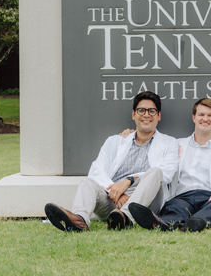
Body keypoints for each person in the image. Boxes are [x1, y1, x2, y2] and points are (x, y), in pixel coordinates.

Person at [44, 91, 179, 232]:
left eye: (152, 111)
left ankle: (126, 217)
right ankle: (80, 220)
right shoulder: (114, 141)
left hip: (147, 203)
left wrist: (128, 181)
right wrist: (116, 191)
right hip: (113, 199)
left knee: (156, 172)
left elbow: (167, 173)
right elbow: (96, 170)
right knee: (88, 182)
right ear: (133, 114)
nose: (146, 115)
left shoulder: (169, 143)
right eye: (141, 110)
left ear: (159, 116)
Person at [127, 98, 211, 232]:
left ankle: (196, 222)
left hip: (210, 197)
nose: (205, 119)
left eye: (210, 115)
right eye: (201, 115)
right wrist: (129, 135)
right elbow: (158, 165)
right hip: (182, 197)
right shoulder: (176, 145)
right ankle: (164, 223)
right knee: (174, 208)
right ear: (194, 117)